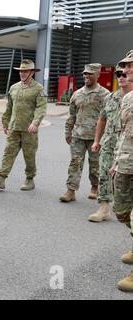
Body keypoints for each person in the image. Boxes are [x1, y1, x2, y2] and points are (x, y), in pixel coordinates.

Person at [0, 59, 46, 191]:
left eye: (25, 71)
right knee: (8, 152)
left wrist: (35, 123)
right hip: (14, 127)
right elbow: (9, 108)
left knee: (29, 155)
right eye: (21, 71)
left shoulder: (38, 89)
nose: (22, 74)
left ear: (32, 73)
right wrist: (5, 123)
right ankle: (1, 179)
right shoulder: (14, 87)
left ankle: (30, 179)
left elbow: (41, 108)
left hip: (29, 129)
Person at [88, 64, 133, 222]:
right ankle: (104, 207)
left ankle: (126, 210)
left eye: (123, 74)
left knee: (125, 179)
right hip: (109, 143)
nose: (121, 77)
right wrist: (96, 141)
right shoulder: (110, 98)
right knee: (104, 175)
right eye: (118, 74)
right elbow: (102, 119)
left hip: (128, 147)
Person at [60, 63, 110, 202]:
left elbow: (109, 118)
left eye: (89, 73)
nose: (86, 76)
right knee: (75, 163)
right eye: (84, 73)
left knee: (95, 165)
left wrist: (105, 138)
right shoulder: (77, 94)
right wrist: (68, 132)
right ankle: (71, 190)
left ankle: (95, 187)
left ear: (98, 75)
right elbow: (71, 115)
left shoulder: (105, 95)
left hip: (96, 137)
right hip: (78, 135)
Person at [111, 50, 133, 291]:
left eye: (130, 66)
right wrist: (116, 160)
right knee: (122, 212)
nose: (125, 70)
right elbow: (122, 132)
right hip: (126, 161)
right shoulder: (127, 99)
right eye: (125, 66)